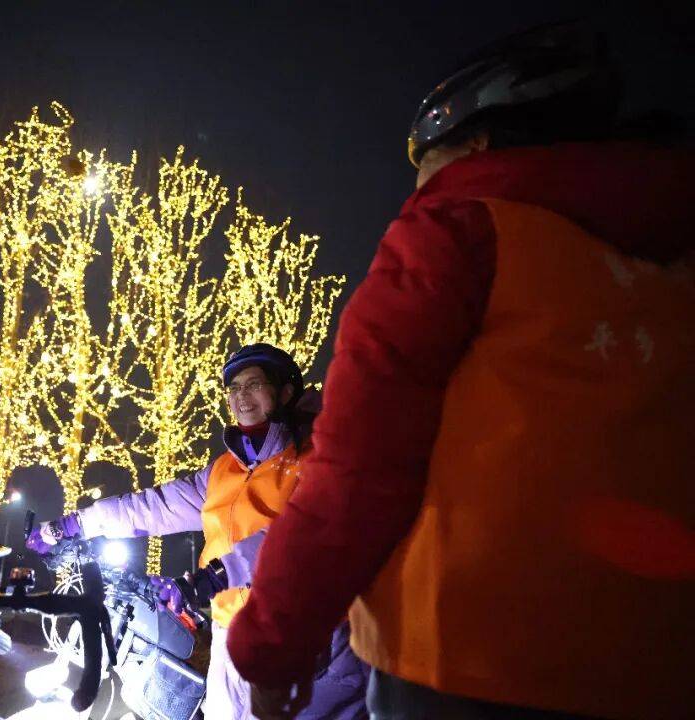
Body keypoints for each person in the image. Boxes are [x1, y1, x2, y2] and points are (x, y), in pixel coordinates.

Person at [225, 22, 694, 720]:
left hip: (466, 658)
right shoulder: (670, 259)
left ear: (475, 147)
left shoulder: (454, 235)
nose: (417, 186)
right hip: (658, 662)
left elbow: (360, 466)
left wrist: (273, 640)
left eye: (425, 163)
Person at [27, 343, 369, 720]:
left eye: (254, 384)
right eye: (234, 388)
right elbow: (158, 506)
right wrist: (75, 525)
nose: (241, 395)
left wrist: (211, 578)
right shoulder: (225, 470)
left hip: (307, 645)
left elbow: (298, 540)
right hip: (233, 633)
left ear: (286, 392)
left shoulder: (320, 459)